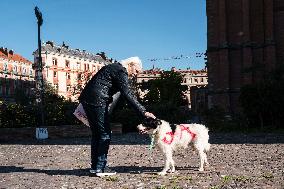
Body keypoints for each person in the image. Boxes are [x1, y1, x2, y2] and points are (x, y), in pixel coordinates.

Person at [78, 56, 155, 177]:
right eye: (136, 71)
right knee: (104, 134)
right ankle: (100, 168)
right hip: (98, 101)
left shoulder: (112, 67)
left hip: (89, 100)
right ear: (131, 65)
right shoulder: (121, 70)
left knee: (97, 134)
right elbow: (127, 94)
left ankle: (95, 167)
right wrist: (144, 112)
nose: (135, 74)